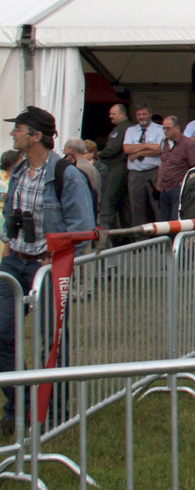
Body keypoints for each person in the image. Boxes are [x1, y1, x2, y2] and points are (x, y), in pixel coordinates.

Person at [0, 107, 95, 430]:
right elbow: (10, 214)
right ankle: (19, 408)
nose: (13, 134)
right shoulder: (18, 172)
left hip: (49, 269)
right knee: (2, 332)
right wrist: (9, 242)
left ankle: (53, 413)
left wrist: (54, 260)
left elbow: (82, 229)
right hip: (14, 262)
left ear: (36, 136)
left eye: (19, 129)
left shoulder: (66, 176)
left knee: (50, 340)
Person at [122, 104, 163, 228]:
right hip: (135, 174)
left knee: (157, 206)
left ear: (150, 114)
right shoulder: (131, 130)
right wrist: (148, 145)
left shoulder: (159, 130)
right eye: (139, 115)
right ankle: (139, 238)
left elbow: (159, 149)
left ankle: (160, 236)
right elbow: (126, 148)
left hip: (154, 172)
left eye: (144, 114)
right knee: (136, 207)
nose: (141, 117)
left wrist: (138, 151)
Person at [96, 102, 133, 233]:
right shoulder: (127, 128)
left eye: (113, 114)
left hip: (116, 168)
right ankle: (127, 236)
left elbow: (113, 148)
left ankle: (109, 235)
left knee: (110, 201)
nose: (110, 116)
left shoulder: (121, 129)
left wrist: (98, 154)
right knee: (125, 206)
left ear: (122, 114)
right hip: (124, 169)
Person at [156, 116, 195, 222]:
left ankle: (174, 239)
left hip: (177, 187)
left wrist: (183, 183)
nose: (165, 131)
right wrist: (158, 183)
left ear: (177, 128)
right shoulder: (164, 142)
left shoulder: (187, 143)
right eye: (164, 128)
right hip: (164, 186)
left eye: (168, 128)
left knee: (175, 220)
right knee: (163, 220)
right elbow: (163, 163)